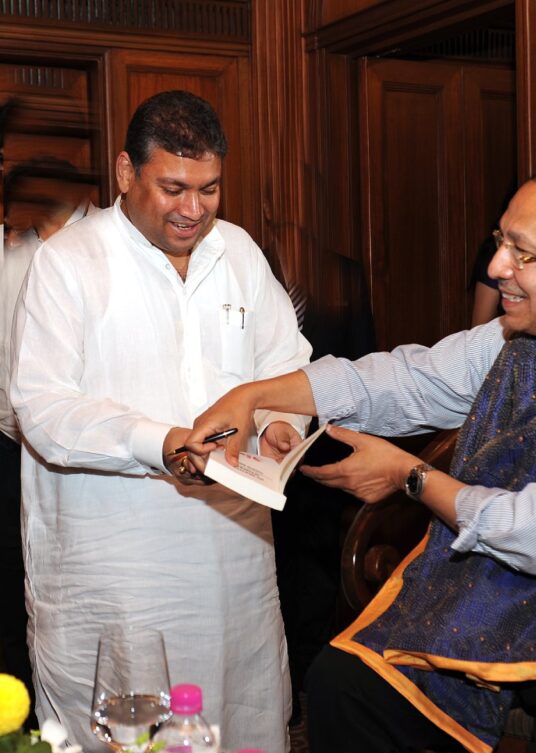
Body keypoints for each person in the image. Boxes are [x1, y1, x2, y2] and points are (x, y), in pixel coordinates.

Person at [186, 157, 536, 753]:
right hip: (512, 587)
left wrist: (410, 476)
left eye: (523, 253)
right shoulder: (519, 338)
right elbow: (407, 380)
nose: (497, 266)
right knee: (345, 685)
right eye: (502, 240)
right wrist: (258, 395)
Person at [10, 91, 311, 752]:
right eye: (173, 187)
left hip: (236, 555)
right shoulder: (70, 262)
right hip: (120, 568)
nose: (193, 209)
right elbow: (44, 408)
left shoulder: (237, 251)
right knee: (129, 730)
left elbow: (286, 369)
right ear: (126, 173)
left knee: (241, 714)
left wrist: (279, 424)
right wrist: (161, 441)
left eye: (210, 189)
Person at [0, 157, 97, 727]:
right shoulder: (12, 252)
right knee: (14, 586)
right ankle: (27, 723)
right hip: (8, 446)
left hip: (89, 453)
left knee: (80, 588)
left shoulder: (108, 245)